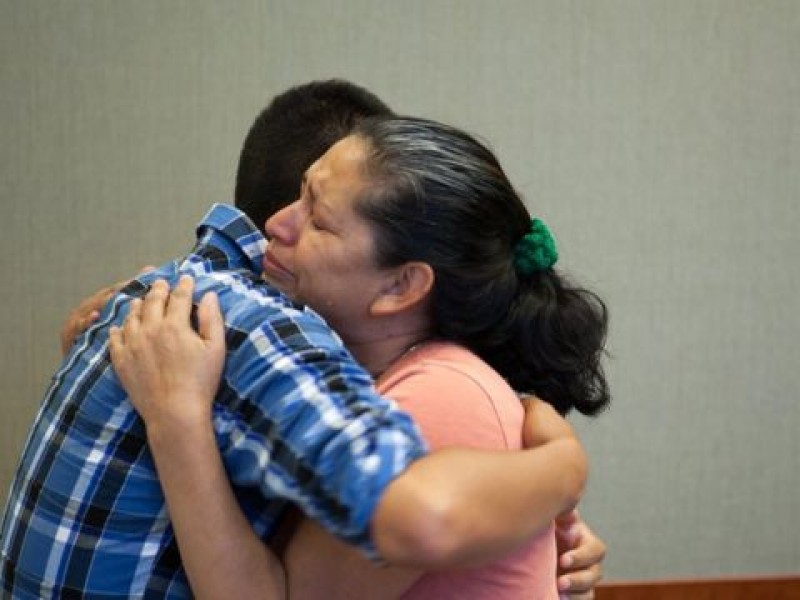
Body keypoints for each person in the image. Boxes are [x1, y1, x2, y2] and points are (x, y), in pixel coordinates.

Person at [0, 82, 601, 599]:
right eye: (300, 196)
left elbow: (415, 523)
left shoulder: (439, 393)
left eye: (318, 219)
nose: (272, 229)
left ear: (399, 286)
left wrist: (564, 468)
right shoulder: (326, 367)